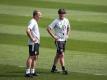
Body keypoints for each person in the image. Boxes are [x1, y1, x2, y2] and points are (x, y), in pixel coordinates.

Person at [47, 8, 70, 75]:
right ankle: (64, 69)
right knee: (61, 54)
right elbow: (48, 29)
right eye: (61, 14)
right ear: (59, 14)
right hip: (58, 41)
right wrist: (54, 36)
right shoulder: (56, 21)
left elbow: (68, 27)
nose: (62, 15)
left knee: (58, 54)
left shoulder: (66, 20)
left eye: (63, 14)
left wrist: (67, 35)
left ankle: (53, 68)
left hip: (64, 40)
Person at [25, 10, 42, 77]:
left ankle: (33, 71)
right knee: (31, 56)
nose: (40, 17)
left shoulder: (34, 22)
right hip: (33, 43)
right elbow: (27, 30)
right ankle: (27, 72)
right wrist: (32, 39)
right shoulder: (32, 21)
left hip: (36, 43)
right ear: (35, 15)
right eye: (39, 15)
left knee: (35, 57)